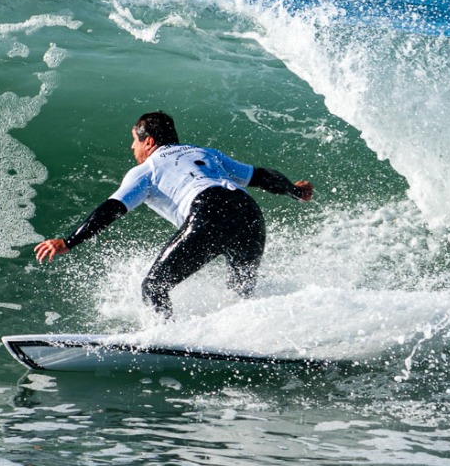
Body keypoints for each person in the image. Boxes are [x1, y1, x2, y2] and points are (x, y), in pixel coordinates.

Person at [34, 112, 313, 319]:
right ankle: (249, 342)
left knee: (153, 287)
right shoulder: (205, 153)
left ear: (149, 141)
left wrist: (69, 241)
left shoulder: (149, 168)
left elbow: (113, 208)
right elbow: (259, 176)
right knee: (240, 293)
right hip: (249, 213)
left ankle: (169, 339)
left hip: (209, 210)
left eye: (134, 141)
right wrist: (293, 191)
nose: (132, 148)